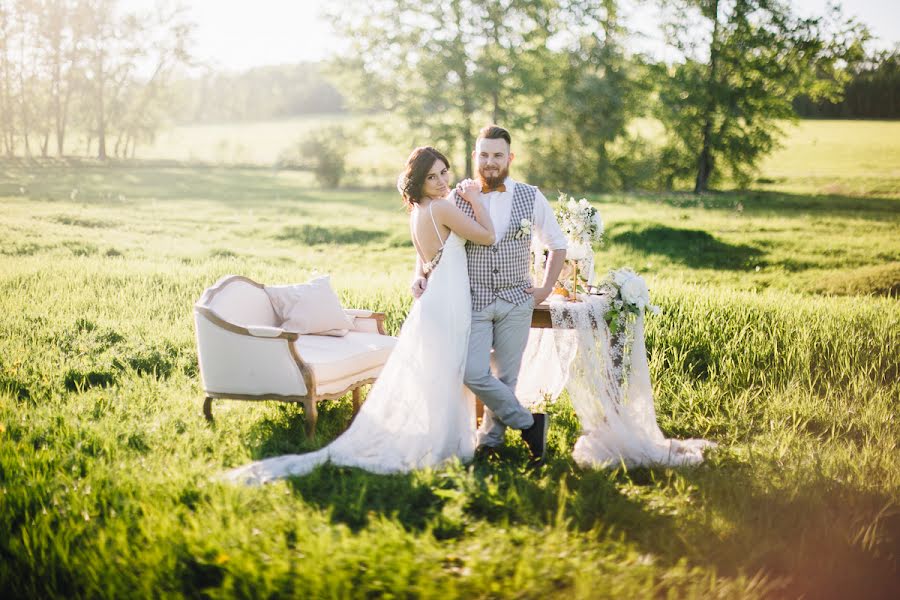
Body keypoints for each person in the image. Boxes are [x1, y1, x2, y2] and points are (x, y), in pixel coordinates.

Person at [223, 147, 496, 483]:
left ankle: (447, 437)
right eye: (432, 176)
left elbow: (425, 254)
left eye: (444, 172)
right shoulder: (441, 206)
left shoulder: (420, 210)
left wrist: (419, 274)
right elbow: (487, 236)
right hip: (450, 300)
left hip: (439, 296)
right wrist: (476, 199)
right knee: (449, 368)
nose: (442, 182)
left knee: (443, 368)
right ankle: (445, 443)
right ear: (419, 182)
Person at [412, 125, 568, 462]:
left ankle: (491, 441)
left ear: (510, 157)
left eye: (498, 155)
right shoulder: (453, 196)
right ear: (474, 157)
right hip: (473, 299)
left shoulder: (531, 195)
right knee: (472, 372)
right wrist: (419, 273)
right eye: (484, 154)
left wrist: (544, 288)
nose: (490, 161)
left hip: (517, 299)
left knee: (507, 376)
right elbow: (432, 241)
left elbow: (557, 244)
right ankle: (530, 424)